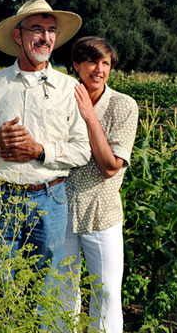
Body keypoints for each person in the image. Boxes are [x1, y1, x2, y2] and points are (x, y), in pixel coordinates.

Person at [0, 0, 91, 300]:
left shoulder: (69, 88)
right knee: (3, 286)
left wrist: (39, 151)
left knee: (44, 291)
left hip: (49, 198)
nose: (45, 37)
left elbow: (82, 150)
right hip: (0, 197)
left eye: (50, 31)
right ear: (18, 35)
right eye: (36, 29)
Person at [60, 37, 139, 333]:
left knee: (106, 295)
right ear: (76, 65)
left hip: (102, 213)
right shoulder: (61, 98)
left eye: (105, 63)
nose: (99, 69)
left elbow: (109, 166)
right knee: (60, 292)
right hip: (61, 208)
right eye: (92, 61)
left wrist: (90, 116)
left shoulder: (123, 106)